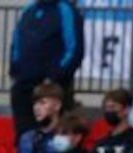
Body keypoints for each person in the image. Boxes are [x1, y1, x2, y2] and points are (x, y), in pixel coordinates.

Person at [7, 0, 82, 134]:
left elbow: (74, 49)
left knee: (53, 136)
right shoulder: (29, 9)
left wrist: (53, 77)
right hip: (23, 84)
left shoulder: (65, 10)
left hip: (52, 86)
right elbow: (16, 42)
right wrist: (15, 70)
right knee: (24, 137)